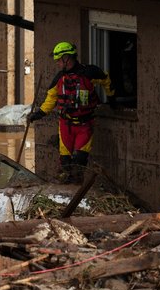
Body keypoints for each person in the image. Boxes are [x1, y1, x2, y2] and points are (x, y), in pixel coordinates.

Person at [28, 41, 115, 184]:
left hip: (85, 125)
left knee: (80, 160)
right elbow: (51, 99)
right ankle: (66, 189)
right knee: (65, 162)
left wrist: (111, 97)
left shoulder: (90, 72)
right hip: (66, 125)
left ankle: (77, 188)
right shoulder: (59, 78)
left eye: (58, 60)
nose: (57, 63)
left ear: (66, 58)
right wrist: (39, 113)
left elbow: (106, 80)